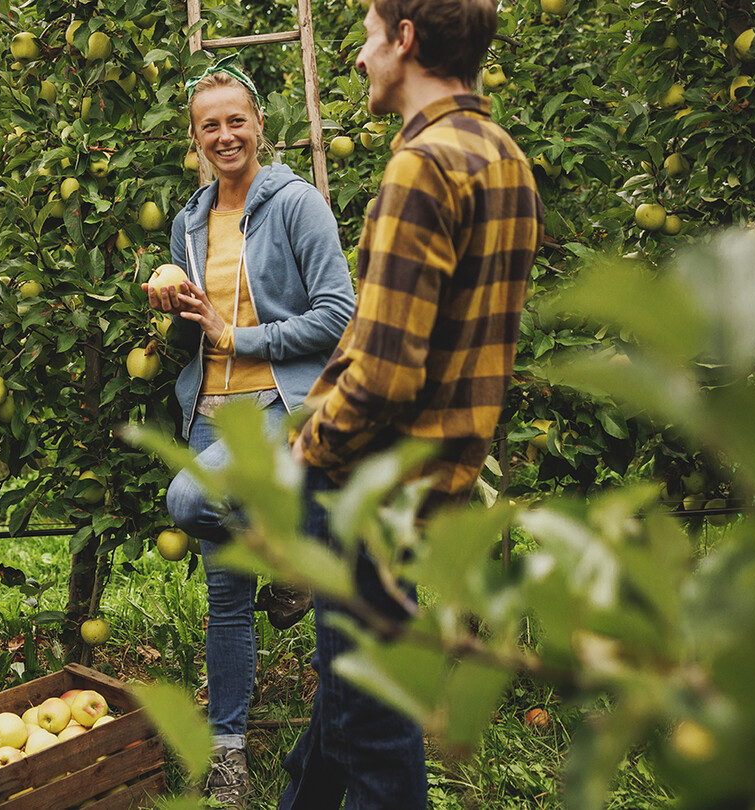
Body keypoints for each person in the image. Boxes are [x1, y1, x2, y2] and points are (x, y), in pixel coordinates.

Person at [281, 0, 542, 806]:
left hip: (367, 476)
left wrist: (309, 451)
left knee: (371, 727)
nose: (358, 57)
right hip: (431, 476)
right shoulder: (504, 157)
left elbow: (387, 372)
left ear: (406, 39)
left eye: (366, 35)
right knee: (349, 692)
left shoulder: (423, 165)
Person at [146, 58, 358, 809]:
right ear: (196, 137)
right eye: (211, 125)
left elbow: (339, 314)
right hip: (206, 414)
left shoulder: (297, 203)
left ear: (260, 123)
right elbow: (205, 327)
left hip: (273, 407)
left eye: (237, 120)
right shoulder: (191, 220)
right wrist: (173, 307)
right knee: (226, 596)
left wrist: (242, 340)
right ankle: (230, 750)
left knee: (184, 502)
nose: (225, 134)